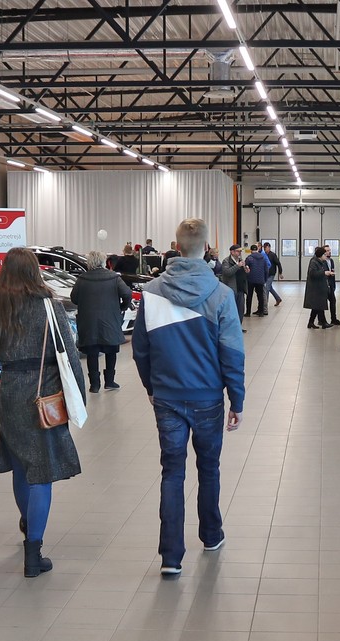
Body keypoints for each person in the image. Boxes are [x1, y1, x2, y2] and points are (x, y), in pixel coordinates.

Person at [0, 247, 84, 577]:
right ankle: (33, 553)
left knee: (22, 469)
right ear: (34, 271)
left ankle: (28, 522)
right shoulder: (49, 306)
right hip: (43, 395)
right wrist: (79, 399)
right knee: (42, 472)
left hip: (9, 395)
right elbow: (70, 356)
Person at [132, 217, 246, 579]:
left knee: (172, 471)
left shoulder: (151, 293)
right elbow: (233, 353)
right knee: (208, 468)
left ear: (177, 247)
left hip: (167, 397)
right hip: (208, 398)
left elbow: (140, 349)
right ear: (207, 248)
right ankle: (211, 535)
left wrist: (152, 388)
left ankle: (171, 556)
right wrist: (237, 400)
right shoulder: (221, 295)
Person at [73, 249, 133, 392]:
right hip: (110, 320)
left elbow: (74, 298)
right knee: (111, 350)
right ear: (103, 262)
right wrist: (122, 307)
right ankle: (110, 381)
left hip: (88, 321)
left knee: (92, 353)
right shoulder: (114, 278)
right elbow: (127, 293)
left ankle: (94, 385)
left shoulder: (82, 279)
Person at [303, 245, 334, 330]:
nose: (326, 256)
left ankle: (311, 322)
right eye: (324, 254)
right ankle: (323, 323)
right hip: (315, 288)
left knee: (317, 306)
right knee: (318, 305)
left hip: (319, 287)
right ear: (320, 255)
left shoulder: (321, 262)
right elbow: (312, 274)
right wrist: (324, 273)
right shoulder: (314, 262)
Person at [216, 244, 248, 318]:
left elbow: (242, 274)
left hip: (241, 288)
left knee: (241, 309)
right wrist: (237, 266)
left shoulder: (240, 260)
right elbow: (227, 272)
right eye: (238, 251)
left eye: (240, 251)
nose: (239, 253)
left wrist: (246, 271)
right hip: (232, 288)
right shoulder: (226, 261)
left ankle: (239, 324)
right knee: (232, 309)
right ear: (232, 252)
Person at [245, 243, 271, 316]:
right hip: (260, 279)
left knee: (249, 296)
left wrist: (246, 277)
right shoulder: (263, 258)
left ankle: (248, 312)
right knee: (260, 296)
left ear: (251, 250)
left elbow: (246, 268)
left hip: (251, 280)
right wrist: (265, 279)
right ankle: (261, 312)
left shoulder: (249, 258)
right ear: (257, 250)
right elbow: (266, 270)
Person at [263, 242, 284, 306]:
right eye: (264, 248)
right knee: (270, 287)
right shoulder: (263, 255)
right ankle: (278, 299)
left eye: (266, 247)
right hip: (266, 273)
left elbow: (278, 263)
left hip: (271, 273)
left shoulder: (273, 255)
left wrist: (280, 273)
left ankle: (265, 304)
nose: (265, 249)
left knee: (266, 288)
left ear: (269, 247)